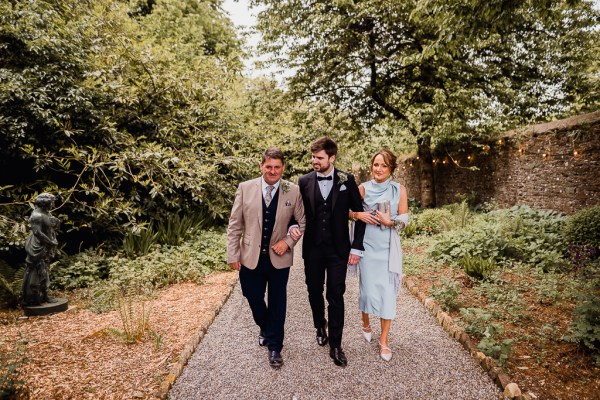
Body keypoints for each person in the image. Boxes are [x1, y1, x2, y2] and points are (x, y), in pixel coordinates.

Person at [290, 136, 366, 367]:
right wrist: (293, 226)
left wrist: (357, 246)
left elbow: (359, 214)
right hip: (312, 248)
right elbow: (295, 213)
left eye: (319, 157)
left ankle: (336, 344)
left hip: (338, 250)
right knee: (314, 291)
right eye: (313, 156)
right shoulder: (303, 181)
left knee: (336, 295)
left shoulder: (346, 179)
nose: (315, 161)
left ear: (331, 158)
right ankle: (318, 325)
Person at [226, 148, 305, 369]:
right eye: (268, 166)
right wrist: (233, 254)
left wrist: (288, 242)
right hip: (250, 256)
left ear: (283, 168)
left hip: (280, 258)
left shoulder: (293, 190)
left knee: (278, 302)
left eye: (277, 167)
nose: (272, 171)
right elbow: (235, 225)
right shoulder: (245, 188)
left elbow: (302, 222)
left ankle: (275, 348)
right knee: (252, 296)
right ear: (261, 166)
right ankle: (265, 326)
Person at [349, 149, 409, 361]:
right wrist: (359, 214)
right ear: (371, 166)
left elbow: (404, 221)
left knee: (387, 293)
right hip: (366, 245)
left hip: (387, 247)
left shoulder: (399, 190)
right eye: (376, 164)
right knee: (366, 291)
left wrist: (389, 221)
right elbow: (346, 211)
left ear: (391, 168)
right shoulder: (363, 188)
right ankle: (365, 320)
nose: (379, 169)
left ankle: (384, 341)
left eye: (384, 165)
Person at [22, 193, 60, 306]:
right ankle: (32, 297)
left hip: (45, 244)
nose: (53, 204)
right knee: (37, 270)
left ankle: (44, 295)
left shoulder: (46, 213)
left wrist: (56, 223)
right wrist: (51, 242)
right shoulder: (36, 216)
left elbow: (51, 227)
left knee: (44, 270)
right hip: (38, 246)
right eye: (52, 202)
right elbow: (37, 233)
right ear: (45, 203)